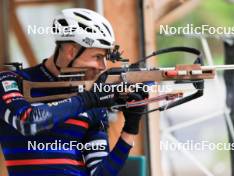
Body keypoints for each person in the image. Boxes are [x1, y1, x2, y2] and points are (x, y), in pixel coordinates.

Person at [0, 8, 147, 176]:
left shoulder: (92, 99)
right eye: (97, 56)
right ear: (71, 51)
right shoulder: (10, 81)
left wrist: (130, 128)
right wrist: (88, 100)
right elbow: (29, 122)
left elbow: (100, 173)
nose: (102, 67)